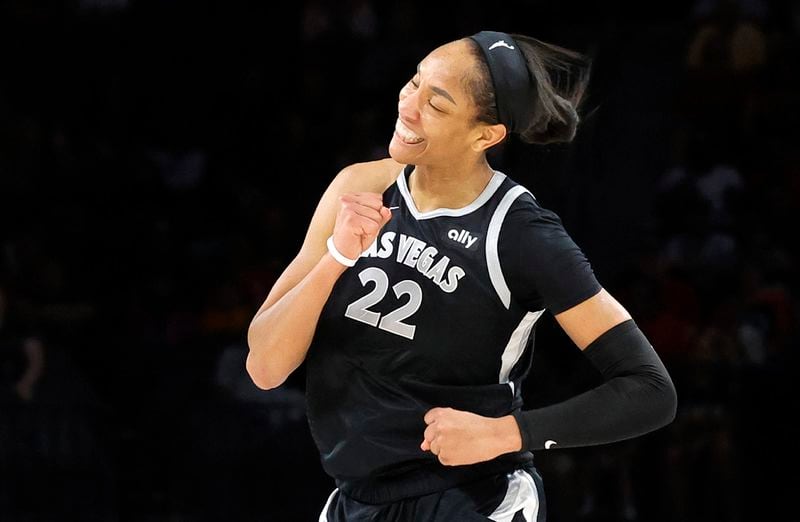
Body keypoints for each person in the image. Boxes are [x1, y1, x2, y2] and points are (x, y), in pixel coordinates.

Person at [246, 30, 678, 521]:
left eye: (437, 104)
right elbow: (265, 366)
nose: (408, 106)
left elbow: (650, 390)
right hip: (356, 499)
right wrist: (336, 257)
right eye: (413, 83)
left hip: (472, 497)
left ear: (485, 135)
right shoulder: (360, 186)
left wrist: (505, 433)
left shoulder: (521, 234)